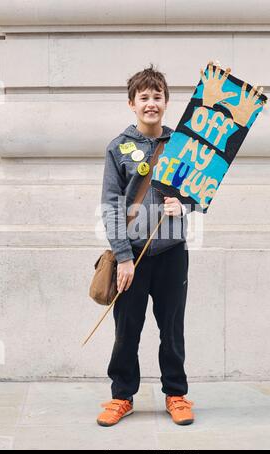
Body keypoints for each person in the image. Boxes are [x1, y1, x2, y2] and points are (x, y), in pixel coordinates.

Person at [97, 64, 197, 427]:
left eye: (157, 97)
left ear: (166, 102)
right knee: (127, 330)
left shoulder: (182, 146)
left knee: (172, 329)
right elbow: (111, 206)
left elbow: (199, 194)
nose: (151, 103)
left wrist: (183, 205)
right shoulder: (117, 148)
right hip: (132, 260)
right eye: (144, 98)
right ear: (131, 104)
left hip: (172, 255)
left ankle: (176, 393)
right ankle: (122, 396)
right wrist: (123, 258)